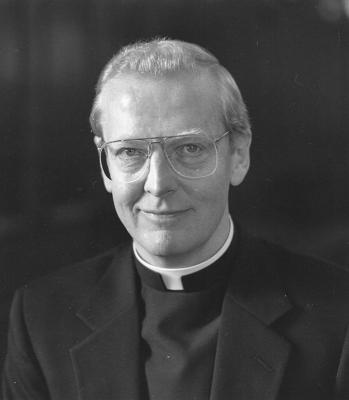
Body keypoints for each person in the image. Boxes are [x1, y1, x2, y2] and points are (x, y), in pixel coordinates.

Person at [2, 39, 349, 400]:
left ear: (239, 155)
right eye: (130, 152)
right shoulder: (42, 318)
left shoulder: (338, 316)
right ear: (105, 166)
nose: (158, 184)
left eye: (189, 149)